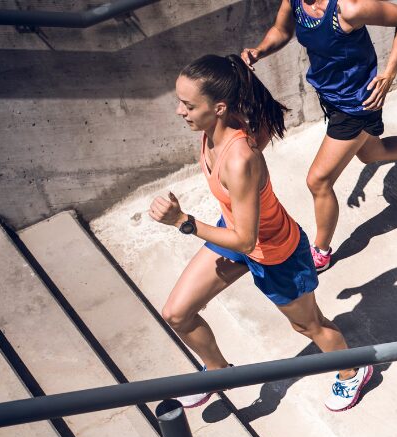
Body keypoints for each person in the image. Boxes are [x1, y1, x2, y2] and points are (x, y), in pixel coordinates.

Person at [149, 54, 373, 412]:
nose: (180, 111)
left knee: (309, 326)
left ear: (219, 107)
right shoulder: (214, 130)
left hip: (276, 253)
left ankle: (353, 370)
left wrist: (183, 222)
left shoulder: (240, 159)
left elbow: (246, 241)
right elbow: (267, 117)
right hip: (235, 233)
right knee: (177, 313)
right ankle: (216, 371)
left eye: (188, 104)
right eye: (180, 101)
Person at [242, 0, 397, 271]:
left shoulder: (349, 9)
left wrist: (389, 74)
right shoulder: (294, 1)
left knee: (318, 180)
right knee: (372, 154)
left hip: (357, 103)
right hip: (332, 97)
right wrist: (260, 50)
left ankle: (321, 251)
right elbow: (281, 30)